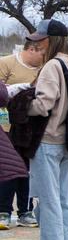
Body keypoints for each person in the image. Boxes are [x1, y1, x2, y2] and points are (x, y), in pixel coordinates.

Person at [23, 19, 68, 240]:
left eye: (41, 39)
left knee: (48, 199)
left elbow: (43, 104)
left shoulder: (50, 66)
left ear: (51, 39)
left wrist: (20, 104)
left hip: (47, 137)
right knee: (64, 197)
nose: (37, 43)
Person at [0, 39, 44, 229]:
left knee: (26, 171)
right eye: (42, 52)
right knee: (8, 172)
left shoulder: (46, 68)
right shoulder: (7, 63)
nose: (44, 56)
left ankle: (25, 210)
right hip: (6, 128)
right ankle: (4, 211)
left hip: (29, 130)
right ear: (32, 49)